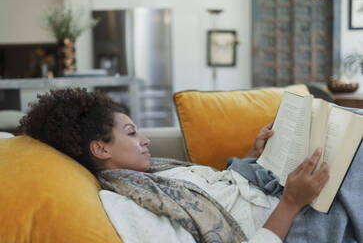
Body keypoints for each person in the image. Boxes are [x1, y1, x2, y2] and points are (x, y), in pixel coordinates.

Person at [19, 88, 329, 243]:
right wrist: (290, 203)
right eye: (131, 133)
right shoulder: (128, 207)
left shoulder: (154, 174)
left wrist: (252, 155)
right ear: (100, 148)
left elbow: (216, 191)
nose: (145, 140)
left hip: (280, 189)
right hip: (297, 218)